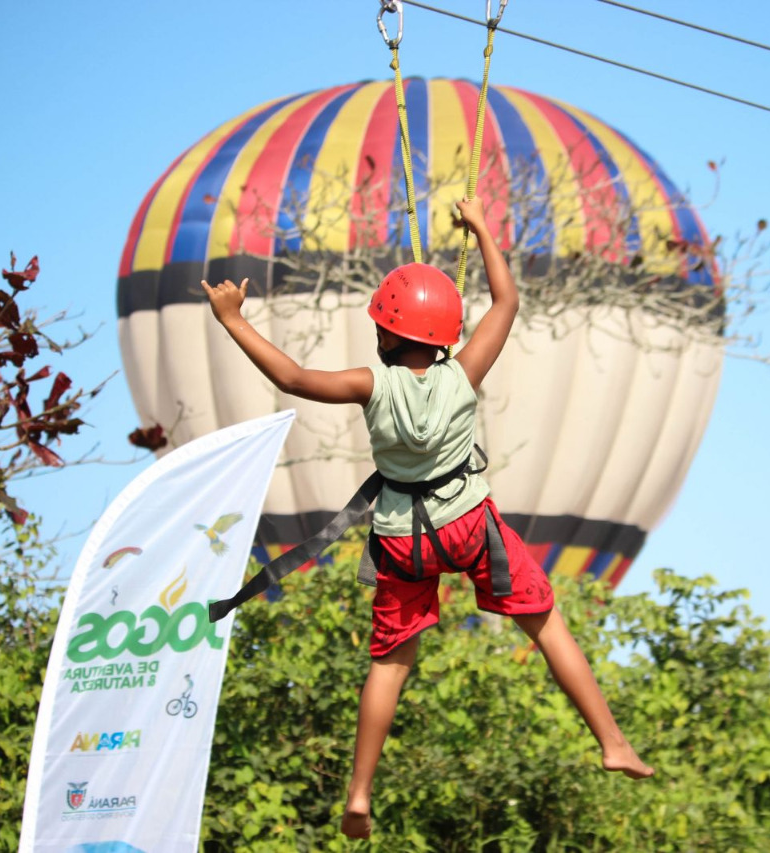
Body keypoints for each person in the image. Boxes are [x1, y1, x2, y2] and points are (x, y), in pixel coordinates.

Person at [201, 196, 654, 841]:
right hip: (470, 524)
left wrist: (231, 318)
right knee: (546, 625)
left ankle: (359, 793)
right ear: (442, 338)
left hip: (400, 538)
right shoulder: (464, 373)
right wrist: (483, 230)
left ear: (385, 333)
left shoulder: (369, 383)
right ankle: (612, 741)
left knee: (390, 662)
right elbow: (506, 304)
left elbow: (293, 377)